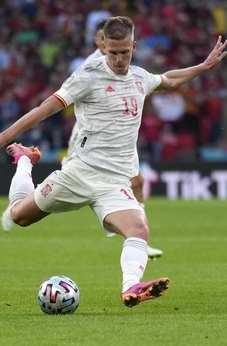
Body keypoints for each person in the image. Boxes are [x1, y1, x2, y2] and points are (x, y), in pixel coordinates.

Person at [0, 16, 227, 307]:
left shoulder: (139, 77)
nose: (119, 59)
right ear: (103, 46)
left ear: (133, 46)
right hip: (79, 174)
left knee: (138, 229)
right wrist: (5, 136)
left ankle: (130, 288)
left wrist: (204, 66)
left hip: (114, 182)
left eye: (125, 52)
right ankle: (24, 161)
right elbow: (45, 108)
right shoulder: (86, 76)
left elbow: (169, 79)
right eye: (113, 53)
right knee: (19, 216)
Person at [62, 20, 164, 260]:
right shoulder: (91, 67)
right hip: (96, 137)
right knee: (112, 184)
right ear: (100, 42)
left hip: (120, 136)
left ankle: (138, 236)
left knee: (137, 181)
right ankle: (128, 229)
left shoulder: (123, 60)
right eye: (99, 38)